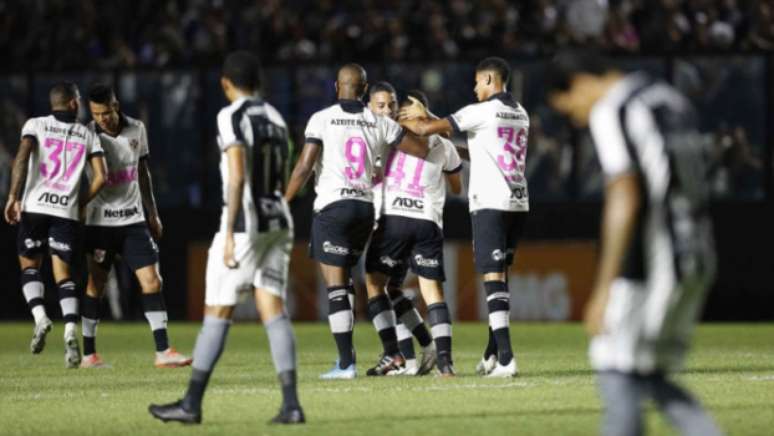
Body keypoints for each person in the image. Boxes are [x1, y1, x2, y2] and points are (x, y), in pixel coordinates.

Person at [547, 49, 721, 436]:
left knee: (614, 368)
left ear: (580, 83)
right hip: (697, 254)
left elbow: (624, 195)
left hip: (654, 261)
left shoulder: (615, 108)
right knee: (646, 375)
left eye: (570, 107)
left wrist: (604, 287)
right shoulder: (667, 97)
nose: (577, 118)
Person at [149, 51, 304, 425]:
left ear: (225, 83)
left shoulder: (230, 115)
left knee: (217, 312)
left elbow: (236, 175)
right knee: (274, 310)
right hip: (278, 220)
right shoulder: (275, 116)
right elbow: (283, 168)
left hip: (245, 225)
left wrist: (232, 232)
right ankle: (291, 405)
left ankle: (191, 404)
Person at [284, 64, 429, 379]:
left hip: (334, 208)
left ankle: (345, 363)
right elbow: (419, 150)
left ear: (337, 86)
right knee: (355, 283)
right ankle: (391, 353)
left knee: (338, 287)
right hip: (365, 209)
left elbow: (304, 166)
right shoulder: (378, 121)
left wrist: (285, 201)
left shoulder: (321, 119)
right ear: (364, 91)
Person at [400, 57, 530, 377]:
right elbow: (479, 147)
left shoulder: (480, 112)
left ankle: (507, 359)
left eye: (476, 81)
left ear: (489, 79)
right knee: (501, 276)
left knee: (492, 279)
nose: (474, 88)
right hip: (517, 200)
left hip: (490, 201)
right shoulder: (520, 112)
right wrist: (433, 119)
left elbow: (426, 130)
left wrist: (408, 118)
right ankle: (492, 353)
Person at [79, 83, 192, 369]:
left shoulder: (136, 129)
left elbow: (143, 173)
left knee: (153, 281)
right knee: (96, 285)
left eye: (105, 112)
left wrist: (152, 213)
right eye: (96, 114)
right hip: (99, 222)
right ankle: (89, 354)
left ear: (115, 106)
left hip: (133, 221)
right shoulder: (86, 134)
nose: (101, 119)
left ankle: (163, 351)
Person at [3, 82, 107, 368]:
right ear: (74, 103)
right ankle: (71, 332)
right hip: (66, 212)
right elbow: (101, 177)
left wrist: (13, 196)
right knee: (63, 275)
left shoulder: (35, 124)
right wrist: (80, 202)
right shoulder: (87, 135)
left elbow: (21, 158)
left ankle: (40, 317)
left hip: (35, 207)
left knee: (30, 266)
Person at [365, 89, 463, 376]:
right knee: (432, 293)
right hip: (428, 222)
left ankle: (401, 353)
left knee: (376, 285)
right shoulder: (444, 145)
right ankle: (444, 361)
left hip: (395, 219)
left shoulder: (391, 138)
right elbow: (457, 188)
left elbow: (373, 173)